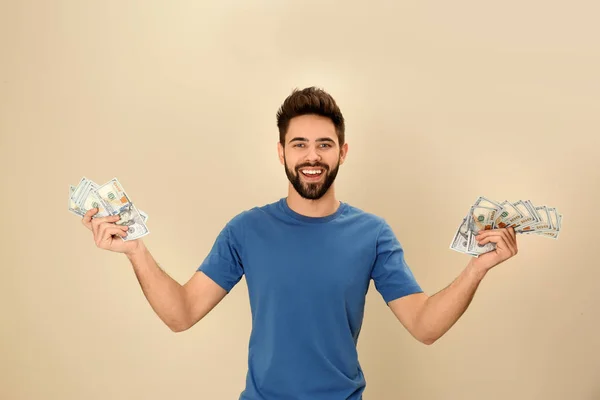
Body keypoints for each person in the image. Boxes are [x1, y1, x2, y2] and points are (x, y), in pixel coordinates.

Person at [82, 86, 519, 400]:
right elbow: (182, 314)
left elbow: (424, 325)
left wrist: (477, 267)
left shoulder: (373, 234)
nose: (312, 156)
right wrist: (135, 251)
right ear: (282, 152)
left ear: (342, 152)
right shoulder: (245, 230)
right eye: (300, 144)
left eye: (324, 145)